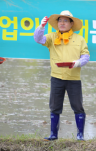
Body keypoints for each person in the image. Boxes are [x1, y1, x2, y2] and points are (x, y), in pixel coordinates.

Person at [34, 10, 90, 141]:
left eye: (65, 21)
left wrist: (78, 63)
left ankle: (80, 135)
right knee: (54, 106)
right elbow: (38, 39)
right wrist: (41, 26)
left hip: (73, 78)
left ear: (71, 24)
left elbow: (86, 56)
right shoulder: (52, 37)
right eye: (60, 20)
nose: (62, 23)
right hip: (57, 77)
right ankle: (53, 134)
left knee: (78, 106)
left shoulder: (79, 39)